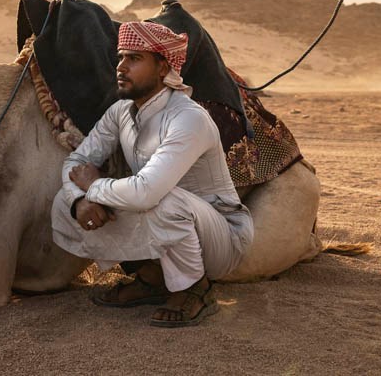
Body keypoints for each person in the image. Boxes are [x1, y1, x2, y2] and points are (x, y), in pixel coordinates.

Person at [51, 21, 254, 327]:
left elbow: (147, 191)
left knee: (164, 201)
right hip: (162, 214)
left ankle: (194, 289)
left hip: (220, 235)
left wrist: (93, 186)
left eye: (134, 59)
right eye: (120, 57)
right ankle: (152, 276)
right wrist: (81, 198)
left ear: (162, 68)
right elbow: (77, 161)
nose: (121, 67)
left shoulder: (188, 118)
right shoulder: (121, 112)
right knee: (64, 203)